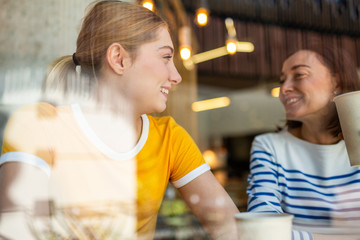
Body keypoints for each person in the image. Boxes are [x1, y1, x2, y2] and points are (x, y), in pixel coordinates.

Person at [0, 1, 239, 239]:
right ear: (119, 59)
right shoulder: (40, 126)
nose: (175, 76)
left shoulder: (170, 138)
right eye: (166, 58)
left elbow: (233, 230)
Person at [247, 44, 360, 240]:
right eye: (282, 80)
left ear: (337, 82)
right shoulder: (269, 147)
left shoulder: (357, 146)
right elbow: (262, 231)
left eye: (299, 75)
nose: (284, 88)